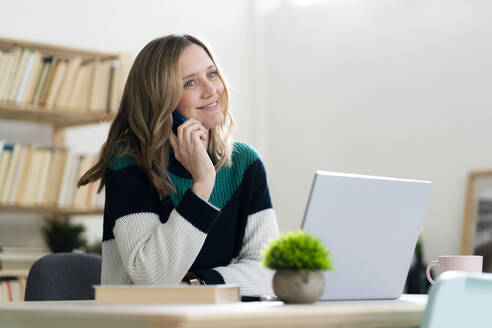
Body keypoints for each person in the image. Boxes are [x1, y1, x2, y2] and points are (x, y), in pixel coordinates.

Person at [78, 34, 279, 296]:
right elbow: (151, 276)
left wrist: (196, 284)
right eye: (190, 82)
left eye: (212, 74)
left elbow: (269, 273)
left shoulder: (244, 163)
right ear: (161, 101)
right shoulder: (129, 160)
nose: (211, 90)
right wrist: (203, 183)